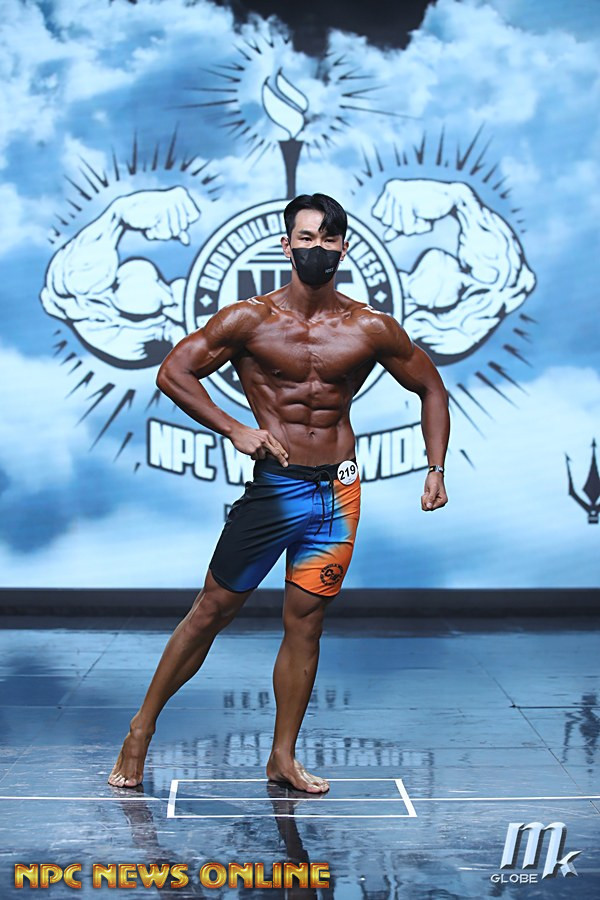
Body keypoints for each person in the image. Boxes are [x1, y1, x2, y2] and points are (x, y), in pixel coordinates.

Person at [108, 192, 450, 794]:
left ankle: (283, 758)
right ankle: (141, 728)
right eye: (307, 237)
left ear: (343, 247)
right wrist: (235, 428)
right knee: (213, 610)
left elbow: (431, 388)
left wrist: (435, 467)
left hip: (338, 491)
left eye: (328, 239)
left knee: (307, 624)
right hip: (277, 488)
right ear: (286, 244)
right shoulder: (251, 320)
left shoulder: (369, 327)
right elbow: (173, 372)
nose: (318, 248)